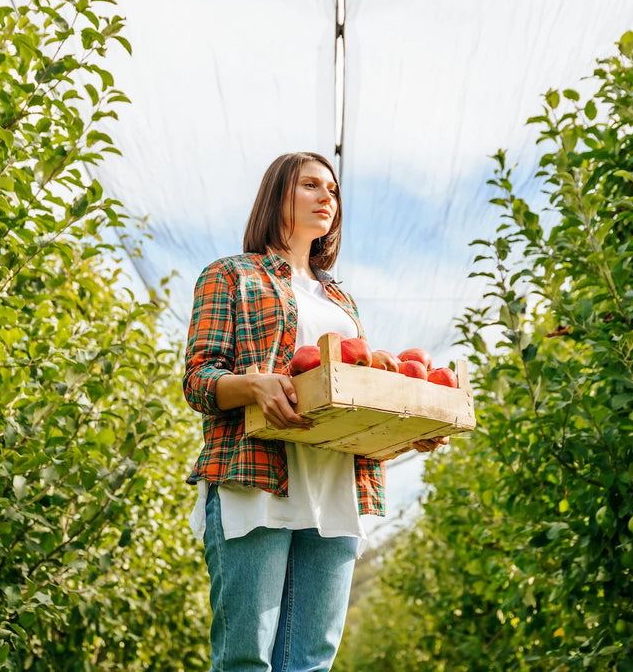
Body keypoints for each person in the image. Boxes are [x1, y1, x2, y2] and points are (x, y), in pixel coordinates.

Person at [183, 152, 446, 672]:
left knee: (310, 661)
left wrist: (407, 426)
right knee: (245, 660)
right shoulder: (232, 275)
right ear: (277, 196)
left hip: (335, 490)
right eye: (310, 185)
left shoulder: (340, 298)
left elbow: (351, 389)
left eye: (333, 189)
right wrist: (256, 385)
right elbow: (198, 380)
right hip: (254, 481)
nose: (328, 197)